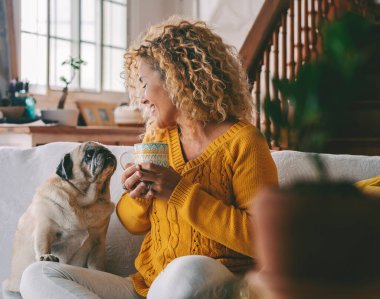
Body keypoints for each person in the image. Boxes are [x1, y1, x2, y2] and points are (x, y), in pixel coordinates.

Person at [18, 15, 278, 299]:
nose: (140, 97)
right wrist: (139, 195)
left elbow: (263, 240)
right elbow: (133, 223)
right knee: (37, 275)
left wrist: (178, 191)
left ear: (178, 79)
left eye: (143, 83)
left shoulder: (243, 142)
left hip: (215, 283)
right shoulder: (158, 138)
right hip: (146, 287)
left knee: (188, 269)